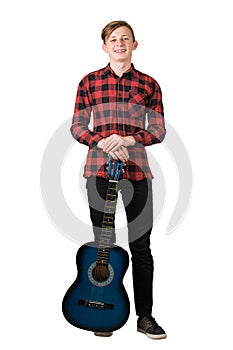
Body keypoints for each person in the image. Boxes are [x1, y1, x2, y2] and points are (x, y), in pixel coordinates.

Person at [70, 20, 167, 339]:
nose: (120, 43)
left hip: (138, 172)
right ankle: (101, 308)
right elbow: (78, 126)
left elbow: (158, 130)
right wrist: (101, 141)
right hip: (99, 171)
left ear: (135, 45)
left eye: (126, 38)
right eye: (114, 39)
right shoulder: (89, 82)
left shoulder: (150, 84)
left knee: (141, 246)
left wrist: (126, 141)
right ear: (105, 47)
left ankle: (145, 317)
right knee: (104, 246)